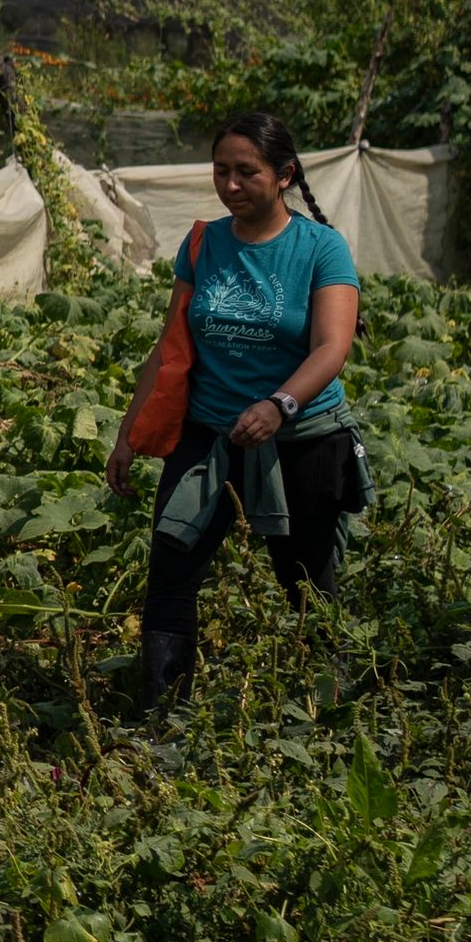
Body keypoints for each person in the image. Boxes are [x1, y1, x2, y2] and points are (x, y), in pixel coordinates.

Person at [101, 110, 369, 707]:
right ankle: (160, 721)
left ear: (284, 176)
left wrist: (279, 405)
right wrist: (128, 434)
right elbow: (170, 344)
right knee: (170, 575)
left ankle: (330, 712)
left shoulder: (321, 249)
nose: (230, 185)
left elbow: (332, 346)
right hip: (208, 438)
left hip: (301, 438)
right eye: (220, 170)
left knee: (306, 586)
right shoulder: (203, 243)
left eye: (246, 172)